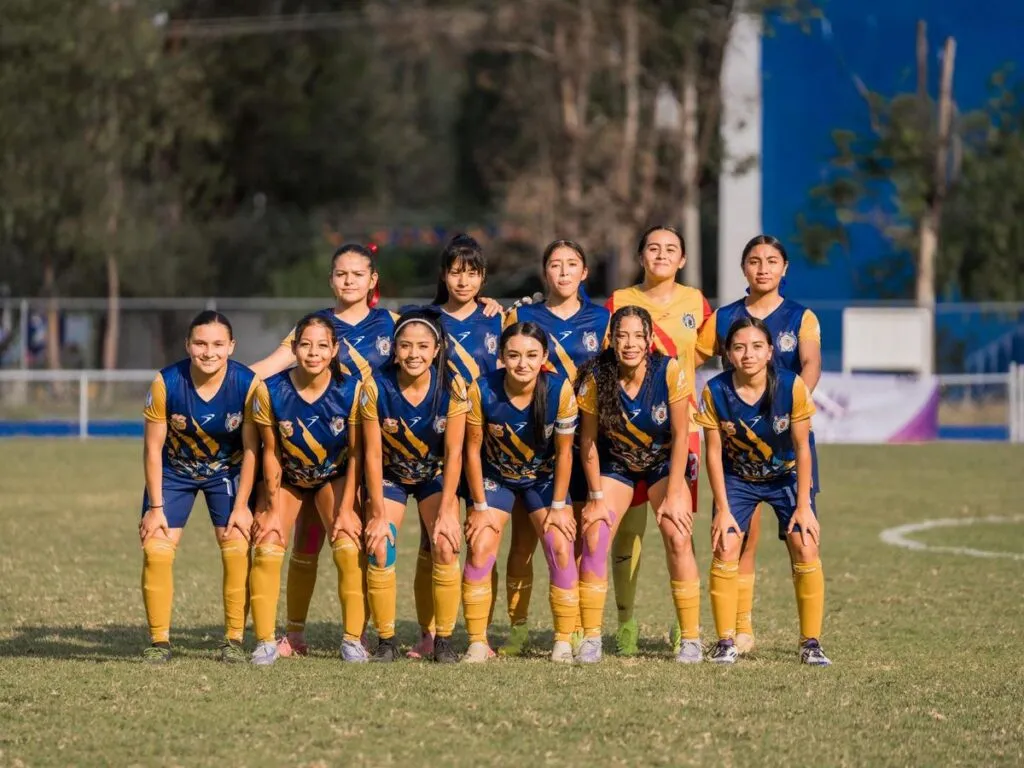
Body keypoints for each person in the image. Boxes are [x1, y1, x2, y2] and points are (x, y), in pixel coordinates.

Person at [250, 243, 397, 658]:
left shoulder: (392, 323)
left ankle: (363, 634)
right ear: (331, 279)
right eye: (341, 273)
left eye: (357, 274)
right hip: (308, 452)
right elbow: (267, 368)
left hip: (369, 452)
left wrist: (491, 308)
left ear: (373, 280)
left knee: (360, 541)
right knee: (306, 542)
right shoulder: (314, 328)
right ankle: (292, 635)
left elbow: (434, 336)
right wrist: (219, 374)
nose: (349, 281)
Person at [694, 234, 822, 655]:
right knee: (738, 540)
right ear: (743, 268)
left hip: (786, 446)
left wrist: (790, 407)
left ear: (785, 268)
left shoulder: (801, 317)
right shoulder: (725, 317)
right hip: (738, 452)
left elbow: (810, 365)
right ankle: (737, 631)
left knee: (803, 538)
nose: (763, 268)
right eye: (754, 260)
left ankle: (810, 642)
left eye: (771, 261)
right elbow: (689, 357)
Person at [499, 239, 609, 656]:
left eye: (572, 264)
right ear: (544, 271)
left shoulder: (602, 319)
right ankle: (518, 632)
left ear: (585, 272)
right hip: (532, 445)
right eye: (555, 264)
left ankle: (576, 628)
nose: (563, 272)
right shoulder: (523, 315)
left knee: (576, 537)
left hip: (588, 442)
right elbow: (502, 366)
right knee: (523, 543)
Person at [604, 225, 710, 655]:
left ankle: (685, 627)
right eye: (653, 248)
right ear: (640, 256)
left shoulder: (697, 303)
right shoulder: (618, 301)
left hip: (681, 432)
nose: (662, 255)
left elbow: (705, 351)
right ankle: (626, 623)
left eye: (671, 249)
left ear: (682, 259)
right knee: (627, 531)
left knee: (678, 527)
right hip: (625, 432)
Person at [575, 306, 701, 662]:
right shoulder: (596, 378)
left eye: (637, 336)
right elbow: (588, 442)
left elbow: (681, 435)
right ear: (611, 340)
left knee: (678, 534)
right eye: (622, 336)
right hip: (617, 465)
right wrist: (596, 497)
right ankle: (591, 638)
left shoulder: (668, 371)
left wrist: (674, 495)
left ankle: (691, 638)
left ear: (649, 340)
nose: (629, 343)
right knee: (595, 534)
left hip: (663, 464)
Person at [138, 311, 260, 664]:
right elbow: (152, 449)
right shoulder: (166, 382)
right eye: (201, 344)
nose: (209, 352)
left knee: (236, 546)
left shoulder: (248, 384)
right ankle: (159, 642)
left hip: (227, 472)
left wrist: (242, 506)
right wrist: (155, 508)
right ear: (187, 345)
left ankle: (233, 640)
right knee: (156, 549)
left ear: (231, 346)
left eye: (218, 344)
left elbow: (252, 449)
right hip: (175, 472)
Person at [405, 234, 504, 660]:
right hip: (436, 446)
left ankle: (480, 634)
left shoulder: (498, 319)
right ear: (443, 275)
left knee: (483, 540)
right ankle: (428, 633)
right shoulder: (424, 319)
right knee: (434, 541)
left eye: (473, 273)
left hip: (485, 445)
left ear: (483, 277)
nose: (464, 281)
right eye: (456, 272)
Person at [248, 314, 365, 666]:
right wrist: (270, 508)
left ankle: (353, 640)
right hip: (289, 477)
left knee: (348, 544)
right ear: (295, 348)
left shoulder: (352, 390)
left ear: (335, 350)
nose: (313, 353)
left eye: (322, 345)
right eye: (306, 345)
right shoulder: (271, 390)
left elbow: (357, 453)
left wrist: (348, 508)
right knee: (267, 543)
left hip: (334, 475)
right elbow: (270, 451)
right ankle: (266, 642)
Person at [462, 322, 580, 663]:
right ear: (501, 356)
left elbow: (565, 452)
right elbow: (472, 451)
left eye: (531, 355)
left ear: (544, 357)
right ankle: (477, 642)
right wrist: (479, 506)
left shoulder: (559, 390)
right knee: (480, 545)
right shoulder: (482, 388)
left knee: (560, 544)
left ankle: (563, 641)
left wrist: (559, 506)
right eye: (513, 355)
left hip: (542, 479)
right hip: (495, 478)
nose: (522, 363)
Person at [360, 309, 469, 664]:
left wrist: (449, 510)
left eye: (423, 346)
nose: (413, 354)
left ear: (436, 350)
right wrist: (377, 514)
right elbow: (372, 455)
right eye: (405, 345)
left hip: (433, 475)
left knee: (445, 544)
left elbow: (454, 453)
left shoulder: (452, 385)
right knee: (380, 545)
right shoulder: (376, 385)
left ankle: (443, 641)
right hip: (390, 476)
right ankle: (386, 641)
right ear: (394, 349)